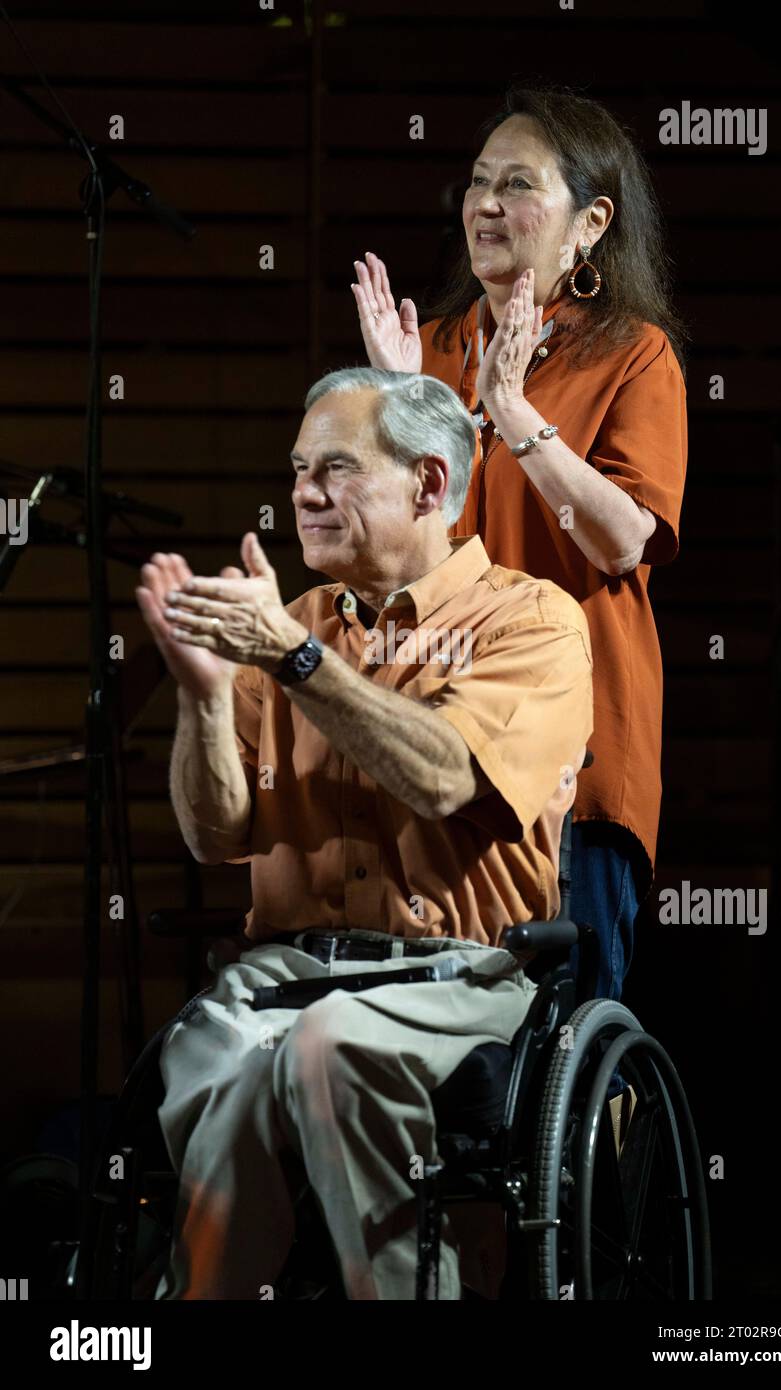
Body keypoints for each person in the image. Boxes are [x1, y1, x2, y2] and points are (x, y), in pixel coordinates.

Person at [135, 367, 593, 1300]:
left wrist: (294, 663)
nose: (301, 492)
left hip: (463, 976)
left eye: (335, 469)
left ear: (428, 483)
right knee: (222, 1053)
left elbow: (441, 776)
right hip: (287, 968)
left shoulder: (530, 620)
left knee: (327, 1041)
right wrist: (206, 696)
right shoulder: (290, 625)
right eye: (299, 469)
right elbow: (215, 833)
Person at [352, 84, 689, 1002]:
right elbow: (377, 561)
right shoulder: (426, 349)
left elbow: (623, 541)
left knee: (564, 1042)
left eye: (516, 184)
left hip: (575, 760)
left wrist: (513, 415)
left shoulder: (631, 353)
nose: (485, 204)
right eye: (475, 182)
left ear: (589, 225)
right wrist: (402, 408)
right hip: (437, 749)